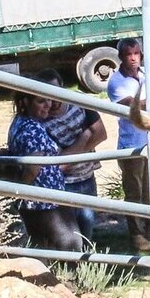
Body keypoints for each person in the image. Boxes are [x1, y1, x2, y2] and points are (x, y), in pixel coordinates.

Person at [7, 88, 96, 254]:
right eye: (41, 101)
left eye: (48, 99)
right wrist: (20, 191)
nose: (48, 105)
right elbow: (33, 167)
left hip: (37, 201)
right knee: (72, 246)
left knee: (43, 247)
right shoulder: (32, 130)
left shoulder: (19, 122)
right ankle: (70, 278)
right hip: (46, 202)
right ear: (25, 102)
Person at [35, 68, 107, 244]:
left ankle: (86, 264)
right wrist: (85, 136)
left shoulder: (78, 101)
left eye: (57, 91)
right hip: (63, 184)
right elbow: (59, 164)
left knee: (87, 228)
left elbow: (101, 133)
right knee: (71, 238)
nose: (53, 100)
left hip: (87, 177)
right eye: (47, 95)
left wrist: (72, 151)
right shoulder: (40, 120)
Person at [106, 38, 150, 252]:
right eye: (128, 54)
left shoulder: (144, 75)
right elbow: (132, 106)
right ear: (121, 58)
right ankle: (136, 235)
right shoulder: (116, 82)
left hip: (149, 141)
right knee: (134, 191)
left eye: (136, 53)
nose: (133, 58)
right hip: (131, 145)